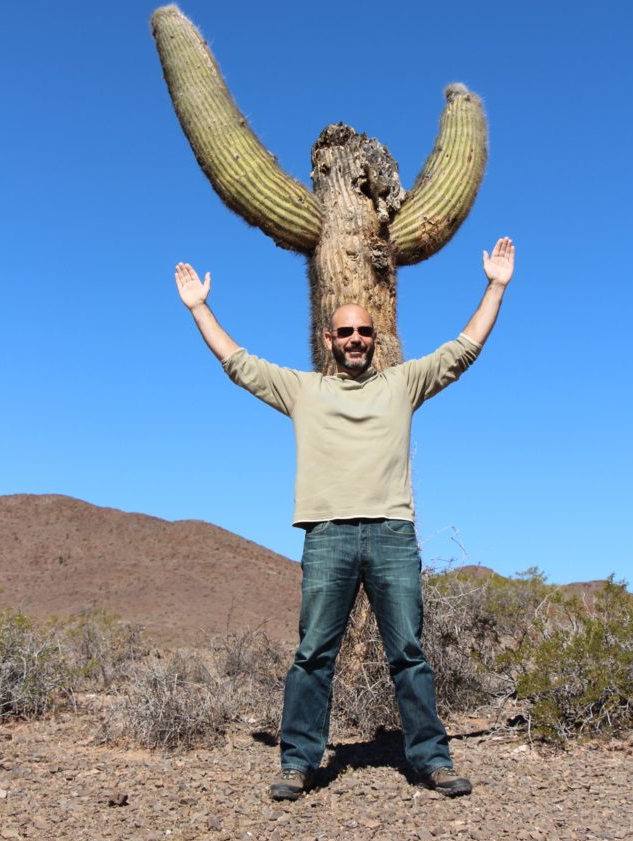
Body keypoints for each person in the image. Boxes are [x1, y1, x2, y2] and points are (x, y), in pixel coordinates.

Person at [175, 237, 515, 801]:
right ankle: (298, 761)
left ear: (375, 340)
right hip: (327, 535)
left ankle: (432, 758)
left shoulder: (402, 384)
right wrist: (199, 308)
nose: (355, 339)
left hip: (391, 534)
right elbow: (237, 363)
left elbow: (463, 349)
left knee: (408, 653)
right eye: (346, 332)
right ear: (328, 340)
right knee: (313, 655)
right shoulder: (302, 390)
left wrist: (496, 286)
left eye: (364, 332)